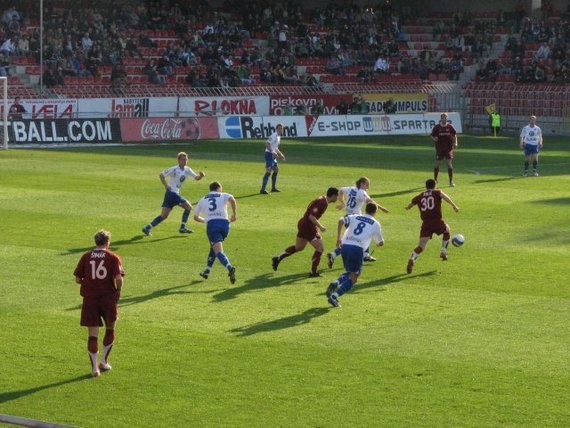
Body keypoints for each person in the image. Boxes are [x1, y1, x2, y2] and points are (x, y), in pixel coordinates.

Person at [73, 230, 125, 377]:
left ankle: (94, 368)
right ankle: (104, 361)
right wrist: (118, 291)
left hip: (90, 299)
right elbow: (119, 279)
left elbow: (77, 279)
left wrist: (88, 283)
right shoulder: (113, 257)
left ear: (95, 242)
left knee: (92, 335)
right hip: (108, 298)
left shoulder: (86, 256)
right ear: (108, 242)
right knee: (110, 329)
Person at [326, 203, 384, 308]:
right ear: (375, 212)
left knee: (350, 272)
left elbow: (340, 221)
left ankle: (336, 282)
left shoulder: (355, 216)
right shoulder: (375, 223)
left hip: (345, 246)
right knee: (354, 277)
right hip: (357, 249)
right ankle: (334, 296)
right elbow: (380, 243)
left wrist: (338, 238)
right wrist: (379, 243)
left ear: (365, 209)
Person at [272, 187, 339, 278]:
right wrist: (320, 227)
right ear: (334, 195)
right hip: (308, 226)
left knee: (299, 247)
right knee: (320, 248)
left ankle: (278, 258)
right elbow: (311, 216)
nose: (337, 198)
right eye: (337, 196)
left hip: (304, 224)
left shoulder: (322, 199)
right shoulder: (322, 202)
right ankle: (313, 272)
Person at [327, 177, 388, 266]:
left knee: (357, 237)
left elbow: (340, 191)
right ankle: (334, 254)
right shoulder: (361, 192)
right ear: (361, 184)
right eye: (367, 185)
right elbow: (370, 202)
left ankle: (366, 255)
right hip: (355, 219)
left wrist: (343, 203)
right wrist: (382, 208)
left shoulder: (350, 189)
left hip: (348, 216)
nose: (368, 187)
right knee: (355, 240)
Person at [142, 152, 205, 236]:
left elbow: (196, 178)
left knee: (164, 215)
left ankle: (147, 227)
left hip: (171, 194)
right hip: (172, 193)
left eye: (186, 159)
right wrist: (166, 185)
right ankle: (182, 227)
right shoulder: (174, 169)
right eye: (183, 159)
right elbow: (161, 175)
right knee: (189, 207)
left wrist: (201, 176)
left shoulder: (187, 169)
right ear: (178, 160)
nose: (185, 161)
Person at [405, 179, 459, 274]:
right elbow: (445, 197)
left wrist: (408, 207)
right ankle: (443, 251)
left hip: (426, 224)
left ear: (426, 186)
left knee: (421, 246)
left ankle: (412, 260)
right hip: (437, 221)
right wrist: (454, 205)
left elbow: (410, 205)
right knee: (447, 230)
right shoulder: (437, 192)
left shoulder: (420, 196)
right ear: (435, 186)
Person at [193, 181, 237, 284]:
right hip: (225, 225)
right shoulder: (223, 195)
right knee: (214, 246)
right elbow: (232, 200)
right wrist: (234, 214)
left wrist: (206, 220)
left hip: (213, 226)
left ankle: (230, 268)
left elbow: (195, 217)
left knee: (218, 251)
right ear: (218, 188)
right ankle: (207, 271)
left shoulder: (203, 199)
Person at [431, 112, 459, 187]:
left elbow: (455, 135)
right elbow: (432, 135)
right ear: (441, 118)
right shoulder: (437, 127)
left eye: (445, 117)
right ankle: (435, 180)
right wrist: (434, 139)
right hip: (439, 148)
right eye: (443, 117)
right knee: (437, 164)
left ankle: (451, 181)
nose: (444, 119)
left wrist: (455, 142)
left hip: (448, 148)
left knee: (449, 164)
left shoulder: (450, 127)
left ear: (447, 118)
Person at [260, 123, 286, 194]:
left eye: (282, 128)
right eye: (279, 128)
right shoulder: (274, 135)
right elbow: (267, 143)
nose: (281, 130)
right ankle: (262, 189)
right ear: (276, 129)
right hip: (269, 155)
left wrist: (281, 154)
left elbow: (276, 147)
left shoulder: (278, 137)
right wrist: (272, 152)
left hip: (273, 155)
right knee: (268, 171)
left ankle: (273, 188)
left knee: (276, 170)